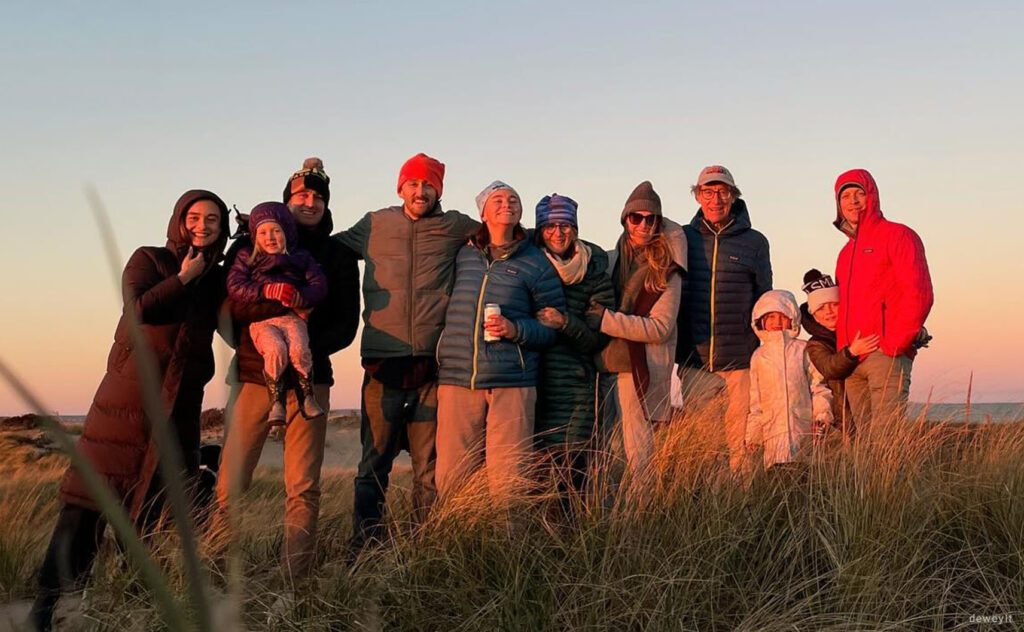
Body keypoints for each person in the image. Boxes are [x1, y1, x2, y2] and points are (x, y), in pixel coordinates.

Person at [31, 190, 230, 631]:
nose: (202, 225)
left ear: (222, 228)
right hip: (125, 404)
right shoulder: (150, 258)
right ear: (179, 220)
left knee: (149, 513)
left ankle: (127, 605)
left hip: (179, 409)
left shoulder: (217, 278)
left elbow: (240, 313)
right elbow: (137, 308)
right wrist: (183, 278)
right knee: (85, 506)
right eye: (194, 217)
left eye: (213, 219)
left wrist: (252, 245)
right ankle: (43, 609)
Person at [214, 157, 360, 580]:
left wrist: (303, 343)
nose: (309, 202)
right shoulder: (249, 247)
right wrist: (270, 327)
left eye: (317, 197)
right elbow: (228, 311)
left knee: (303, 488)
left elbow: (346, 325)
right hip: (253, 377)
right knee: (229, 483)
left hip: (311, 381)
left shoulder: (336, 255)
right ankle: (217, 571)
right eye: (301, 195)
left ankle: (296, 580)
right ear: (287, 200)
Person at [334, 153, 478, 555]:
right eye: (413, 183)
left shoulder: (454, 226)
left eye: (429, 185)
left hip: (433, 368)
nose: (420, 191)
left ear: (438, 191)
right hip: (382, 365)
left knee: (428, 470)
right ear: (400, 188)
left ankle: (424, 551)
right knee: (373, 465)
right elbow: (326, 250)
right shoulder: (375, 224)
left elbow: (503, 235)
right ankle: (365, 547)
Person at [435, 181, 565, 500]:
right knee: (452, 476)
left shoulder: (536, 262)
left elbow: (551, 328)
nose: (507, 204)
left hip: (512, 383)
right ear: (482, 212)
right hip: (458, 380)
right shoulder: (462, 255)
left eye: (513, 199)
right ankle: (455, 532)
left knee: (509, 480)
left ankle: (509, 535)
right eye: (498, 200)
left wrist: (515, 329)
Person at [675, 165, 772, 472]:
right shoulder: (681, 237)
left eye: (722, 191)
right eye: (707, 191)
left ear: (733, 196)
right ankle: (707, 501)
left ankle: (741, 500)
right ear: (697, 196)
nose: (715, 199)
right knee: (704, 447)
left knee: (740, 444)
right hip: (695, 362)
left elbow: (764, 299)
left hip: (741, 363)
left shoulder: (755, 242)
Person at [591, 181, 687, 480]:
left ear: (659, 223)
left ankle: (641, 507)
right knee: (604, 451)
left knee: (638, 455)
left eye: (651, 219)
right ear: (625, 220)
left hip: (637, 370)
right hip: (601, 367)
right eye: (636, 217)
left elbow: (660, 328)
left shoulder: (667, 272)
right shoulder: (607, 262)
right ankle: (607, 507)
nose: (643, 225)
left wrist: (605, 319)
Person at [832, 169, 933, 427]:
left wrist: (895, 344)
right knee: (864, 443)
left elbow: (919, 292)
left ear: (872, 197)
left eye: (859, 193)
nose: (853, 201)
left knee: (885, 438)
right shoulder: (845, 254)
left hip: (885, 355)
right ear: (838, 204)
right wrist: (844, 351)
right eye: (845, 196)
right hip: (853, 358)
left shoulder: (898, 235)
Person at [532, 194, 615, 500]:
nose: (558, 232)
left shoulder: (594, 274)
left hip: (576, 388)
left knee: (573, 477)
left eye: (566, 225)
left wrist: (564, 322)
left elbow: (597, 339)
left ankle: (577, 531)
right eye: (550, 226)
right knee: (535, 479)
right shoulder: (526, 267)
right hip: (534, 383)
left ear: (575, 229)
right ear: (540, 230)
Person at [226, 201, 328, 425]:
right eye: (263, 232)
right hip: (262, 322)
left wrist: (301, 297)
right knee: (275, 349)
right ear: (255, 236)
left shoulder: (301, 257)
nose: (270, 237)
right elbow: (235, 286)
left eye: (276, 231)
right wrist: (266, 290)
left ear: (287, 233)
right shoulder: (247, 257)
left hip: (293, 318)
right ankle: (276, 402)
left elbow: (319, 285)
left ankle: (307, 396)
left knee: (300, 348)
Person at [745, 290, 833, 470]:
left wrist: (821, 416)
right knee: (776, 479)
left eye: (783, 316)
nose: (777, 322)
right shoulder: (759, 357)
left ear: (793, 319)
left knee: (804, 476)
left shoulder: (802, 350)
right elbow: (756, 403)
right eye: (770, 317)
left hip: (802, 430)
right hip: (772, 434)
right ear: (760, 320)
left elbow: (818, 387)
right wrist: (753, 436)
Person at [799, 269, 879, 435]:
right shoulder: (816, 344)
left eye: (834, 304)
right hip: (841, 418)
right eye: (821, 308)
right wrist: (851, 352)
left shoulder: (857, 330)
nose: (828, 311)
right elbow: (829, 368)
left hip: (869, 406)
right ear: (814, 315)